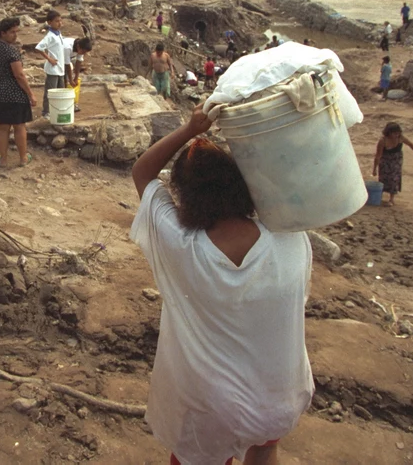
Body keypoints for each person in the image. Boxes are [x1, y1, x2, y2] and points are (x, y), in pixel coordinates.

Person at [129, 106, 313, 465]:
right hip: (278, 394)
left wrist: (189, 129)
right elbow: (288, 176)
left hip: (207, 407)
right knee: (264, 448)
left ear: (184, 194)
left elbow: (142, 172)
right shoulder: (287, 238)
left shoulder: (181, 244)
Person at [0, 17, 37, 167]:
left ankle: (3, 160)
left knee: (3, 127)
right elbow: (19, 75)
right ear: (2, 33)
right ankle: (23, 158)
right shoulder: (12, 51)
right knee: (19, 126)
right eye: (12, 32)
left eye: (16, 31)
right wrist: (30, 94)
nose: (15, 35)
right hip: (14, 94)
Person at [372, 121, 413, 206]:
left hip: (396, 161)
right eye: (394, 133)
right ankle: (379, 196)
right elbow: (378, 156)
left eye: (398, 133)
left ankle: (391, 199)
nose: (396, 135)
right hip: (385, 162)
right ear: (389, 133)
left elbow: (410, 144)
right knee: (383, 178)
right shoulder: (383, 141)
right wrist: (374, 169)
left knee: (394, 178)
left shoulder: (401, 138)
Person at [35, 10, 65, 118]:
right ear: (49, 22)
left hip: (60, 68)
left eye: (60, 21)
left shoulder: (58, 34)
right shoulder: (50, 36)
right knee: (50, 91)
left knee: (61, 90)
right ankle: (46, 111)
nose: (60, 23)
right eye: (57, 21)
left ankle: (57, 109)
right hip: (53, 68)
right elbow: (39, 48)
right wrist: (49, 59)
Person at [63, 36, 93, 113]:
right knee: (63, 80)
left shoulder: (80, 47)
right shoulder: (67, 47)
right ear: (78, 47)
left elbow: (78, 62)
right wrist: (70, 80)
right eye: (83, 52)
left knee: (69, 77)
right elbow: (67, 65)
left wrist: (76, 77)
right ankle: (64, 104)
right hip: (56, 58)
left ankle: (71, 103)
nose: (84, 54)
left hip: (67, 58)